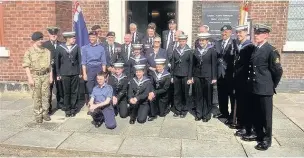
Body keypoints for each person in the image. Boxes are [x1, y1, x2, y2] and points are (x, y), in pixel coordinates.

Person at [244, 24, 283, 151]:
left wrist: (271, 85)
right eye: (255, 33)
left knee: (266, 116)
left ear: (266, 35)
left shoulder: (271, 50)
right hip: (254, 87)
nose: (256, 35)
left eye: (260, 33)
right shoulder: (256, 49)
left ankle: (266, 140)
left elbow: (277, 71)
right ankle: (258, 134)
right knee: (256, 113)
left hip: (265, 88)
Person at [23, 31, 53, 123]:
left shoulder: (47, 51)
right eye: (39, 39)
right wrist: (30, 78)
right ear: (35, 40)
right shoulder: (29, 52)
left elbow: (50, 66)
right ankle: (38, 114)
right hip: (36, 76)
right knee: (37, 96)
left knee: (46, 95)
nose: (41, 41)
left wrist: (51, 77)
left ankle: (45, 113)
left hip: (46, 75)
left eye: (42, 39)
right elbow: (26, 66)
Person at [233, 25, 255, 135]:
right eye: (237, 33)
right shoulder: (238, 44)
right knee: (240, 103)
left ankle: (246, 126)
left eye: (240, 33)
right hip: (238, 79)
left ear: (246, 33)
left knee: (245, 104)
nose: (238, 35)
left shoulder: (250, 46)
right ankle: (240, 123)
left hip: (245, 80)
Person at [215, 25, 238, 123]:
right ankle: (223, 112)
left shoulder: (234, 43)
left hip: (230, 74)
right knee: (221, 95)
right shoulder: (217, 43)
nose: (224, 34)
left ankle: (232, 116)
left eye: (226, 32)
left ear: (230, 33)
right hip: (220, 74)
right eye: (223, 32)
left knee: (232, 97)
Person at [56, 31, 82, 117]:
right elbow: (57, 62)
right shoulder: (60, 48)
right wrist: (58, 73)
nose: (74, 40)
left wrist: (80, 72)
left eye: (74, 38)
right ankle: (67, 109)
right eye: (72, 38)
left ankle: (73, 109)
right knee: (66, 92)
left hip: (75, 72)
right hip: (64, 73)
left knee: (74, 91)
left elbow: (79, 60)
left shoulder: (76, 47)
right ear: (67, 39)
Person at [192, 33, 217, 122]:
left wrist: (214, 77)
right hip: (197, 76)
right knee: (198, 95)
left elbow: (214, 64)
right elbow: (193, 65)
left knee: (207, 96)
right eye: (200, 40)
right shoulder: (196, 50)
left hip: (208, 76)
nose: (201, 42)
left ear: (207, 41)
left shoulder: (212, 50)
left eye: (203, 40)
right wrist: (192, 76)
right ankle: (199, 114)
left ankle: (206, 115)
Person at [171, 34, 193, 118]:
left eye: (183, 41)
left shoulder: (189, 51)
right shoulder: (175, 50)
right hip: (176, 75)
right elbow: (173, 63)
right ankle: (177, 110)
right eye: (180, 41)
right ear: (178, 41)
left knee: (185, 94)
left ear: (186, 41)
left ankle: (184, 110)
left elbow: (191, 65)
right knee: (177, 93)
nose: (182, 42)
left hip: (185, 75)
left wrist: (190, 77)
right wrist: (172, 76)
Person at [42, 26, 64, 113]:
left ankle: (60, 104)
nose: (54, 36)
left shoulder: (61, 44)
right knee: (49, 88)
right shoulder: (45, 45)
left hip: (59, 69)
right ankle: (49, 106)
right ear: (49, 35)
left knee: (60, 86)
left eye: (55, 34)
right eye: (52, 34)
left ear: (57, 35)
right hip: (49, 69)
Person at [81, 31, 107, 95]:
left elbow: (103, 62)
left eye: (93, 37)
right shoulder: (84, 48)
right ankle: (91, 102)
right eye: (90, 37)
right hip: (89, 69)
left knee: (99, 85)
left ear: (96, 37)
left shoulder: (101, 48)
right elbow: (83, 63)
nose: (91, 39)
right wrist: (84, 74)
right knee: (90, 88)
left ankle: (98, 103)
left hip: (99, 68)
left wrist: (103, 74)